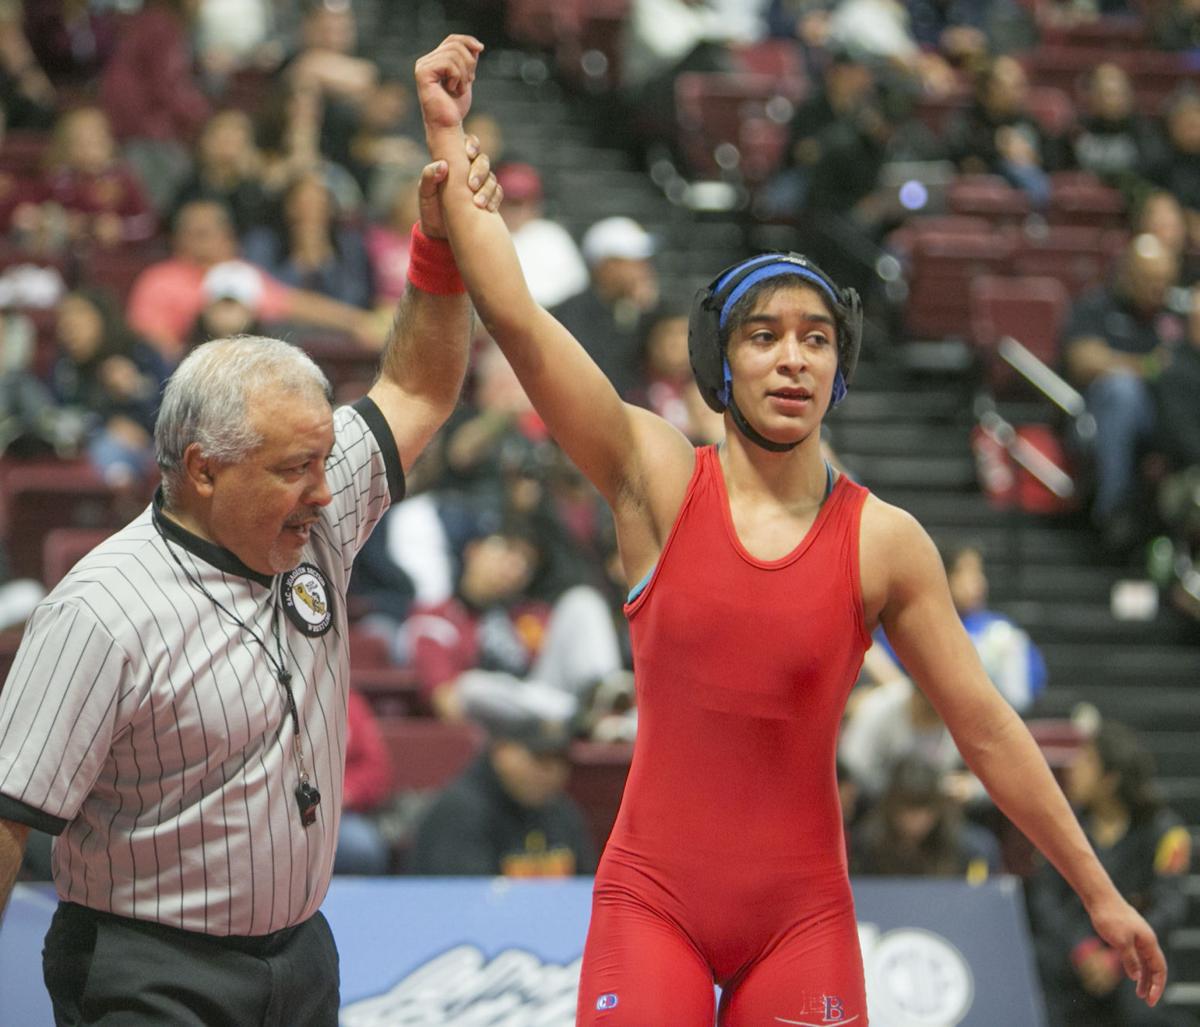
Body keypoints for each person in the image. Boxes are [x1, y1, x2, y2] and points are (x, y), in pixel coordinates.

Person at [420, 35, 1167, 1024]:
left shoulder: (885, 541)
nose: (792, 360)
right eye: (763, 336)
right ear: (720, 367)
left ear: (841, 371)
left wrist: (1099, 889)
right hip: (654, 904)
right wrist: (445, 128)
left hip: (802, 915)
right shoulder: (653, 476)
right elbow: (515, 317)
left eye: (816, 339)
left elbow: (985, 724)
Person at [0, 38, 500, 1025]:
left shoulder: (313, 511)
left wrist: (436, 243)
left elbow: (418, 383)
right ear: (202, 468)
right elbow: (7, 824)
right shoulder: (102, 608)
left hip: (300, 960)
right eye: (292, 468)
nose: (326, 490)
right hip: (148, 971)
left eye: (325, 459)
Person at [1029, 721, 1194, 1027]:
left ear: (1111, 778)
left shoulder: (1166, 833)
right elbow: (1045, 898)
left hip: (1129, 957)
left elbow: (1170, 906)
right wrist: (1083, 949)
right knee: (1039, 957)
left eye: (1087, 760)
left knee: (1149, 976)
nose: (1073, 768)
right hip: (1073, 952)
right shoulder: (1063, 827)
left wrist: (1116, 959)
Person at [1062, 233, 1184, 552]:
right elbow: (1083, 360)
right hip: (1101, 416)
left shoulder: (1175, 315)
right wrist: (1146, 367)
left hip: (1171, 416)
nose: (1159, 290)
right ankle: (1114, 507)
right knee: (1122, 390)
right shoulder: (1097, 306)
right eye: (1150, 281)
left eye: (1164, 282)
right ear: (1128, 275)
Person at [409, 706, 598, 877]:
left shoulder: (562, 812)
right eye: (540, 758)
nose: (552, 772)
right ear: (502, 751)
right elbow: (464, 902)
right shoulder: (460, 813)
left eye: (561, 760)